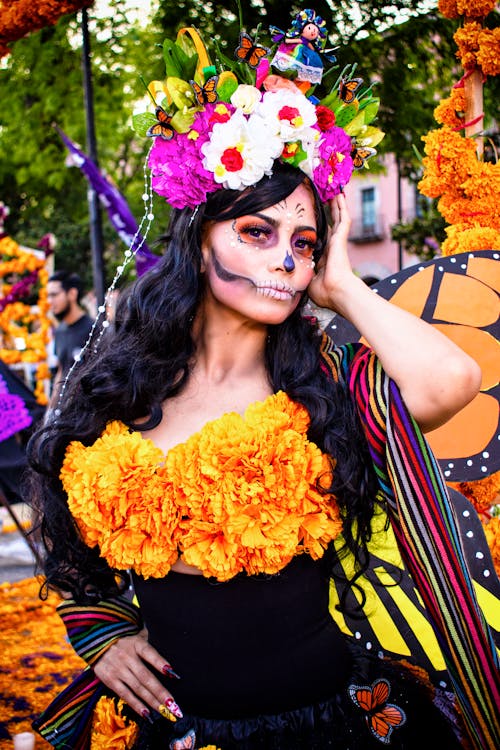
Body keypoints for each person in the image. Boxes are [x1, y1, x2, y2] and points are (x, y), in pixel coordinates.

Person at [26, 12, 499, 750]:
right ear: (198, 236)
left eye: (302, 243)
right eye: (257, 232)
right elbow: (66, 538)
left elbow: (454, 380)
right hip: (178, 734)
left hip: (330, 727)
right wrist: (105, 638)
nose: (286, 258)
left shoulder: (327, 388)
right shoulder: (120, 392)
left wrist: (340, 283)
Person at [46, 270, 94, 391]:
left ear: (72, 294)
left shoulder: (94, 328)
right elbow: (61, 371)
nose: (49, 301)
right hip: (65, 406)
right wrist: (51, 407)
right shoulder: (59, 331)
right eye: (48, 296)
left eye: (54, 295)